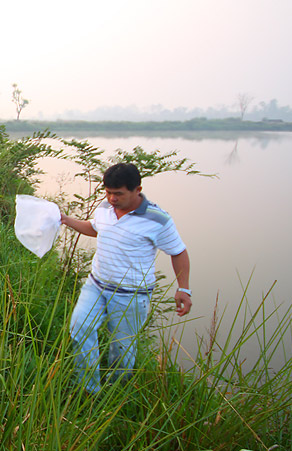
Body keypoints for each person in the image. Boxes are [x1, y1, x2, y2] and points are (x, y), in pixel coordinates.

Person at [59, 162, 192, 394]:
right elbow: (96, 227)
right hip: (96, 285)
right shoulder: (104, 208)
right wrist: (67, 220)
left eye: (118, 193)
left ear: (137, 189)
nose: (111, 198)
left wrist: (184, 289)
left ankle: (116, 393)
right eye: (108, 192)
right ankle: (89, 390)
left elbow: (178, 252)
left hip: (131, 295)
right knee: (80, 327)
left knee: (122, 349)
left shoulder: (158, 219)